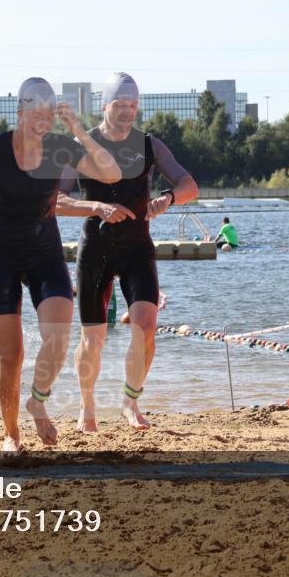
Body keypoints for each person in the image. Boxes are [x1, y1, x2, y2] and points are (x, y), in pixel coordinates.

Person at [0, 77, 121, 451]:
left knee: (58, 338)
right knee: (12, 356)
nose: (42, 120)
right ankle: (11, 435)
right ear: (21, 111)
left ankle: (37, 402)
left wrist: (77, 130)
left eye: (48, 114)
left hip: (45, 252)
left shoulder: (60, 146)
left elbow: (111, 173)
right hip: (0, 256)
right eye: (35, 112)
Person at [57, 72, 198, 433]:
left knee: (146, 326)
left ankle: (130, 402)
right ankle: (87, 408)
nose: (127, 112)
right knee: (93, 339)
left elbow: (189, 185)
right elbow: (54, 200)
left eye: (133, 105)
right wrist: (97, 208)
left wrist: (167, 198)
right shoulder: (80, 144)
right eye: (120, 105)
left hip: (137, 247)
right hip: (96, 250)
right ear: (104, 105)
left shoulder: (150, 145)